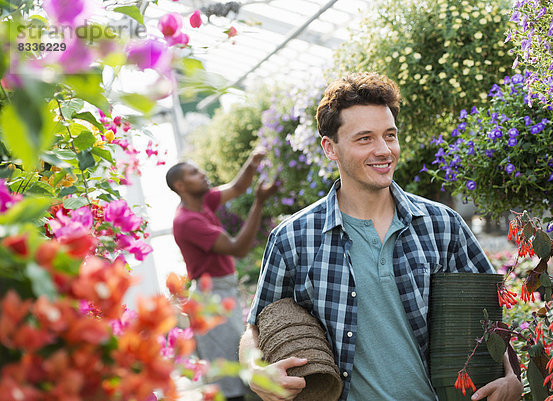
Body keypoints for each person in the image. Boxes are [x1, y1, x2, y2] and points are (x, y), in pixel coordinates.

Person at [239, 72, 523, 401]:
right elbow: (256, 326)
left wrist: (511, 375)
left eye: (390, 135)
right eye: (365, 139)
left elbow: (488, 312)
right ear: (330, 148)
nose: (384, 150)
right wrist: (254, 371)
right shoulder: (293, 239)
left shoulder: (441, 224)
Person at [166, 151, 279, 401]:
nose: (202, 174)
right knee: (229, 382)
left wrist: (253, 161)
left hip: (223, 291)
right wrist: (259, 202)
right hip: (211, 298)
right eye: (194, 173)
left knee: (240, 364)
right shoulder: (187, 221)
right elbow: (238, 247)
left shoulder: (203, 202)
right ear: (181, 186)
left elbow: (238, 187)